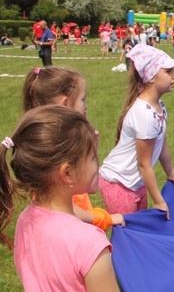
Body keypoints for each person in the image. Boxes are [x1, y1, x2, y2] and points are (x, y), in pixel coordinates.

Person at [0, 105, 174, 292]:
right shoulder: (88, 241)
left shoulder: (26, 222)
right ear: (67, 174)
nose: (99, 165)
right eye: (93, 158)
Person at [22, 66, 124, 231]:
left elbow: (91, 187)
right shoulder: (54, 149)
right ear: (66, 103)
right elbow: (63, 208)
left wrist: (92, 151)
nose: (86, 106)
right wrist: (104, 218)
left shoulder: (56, 140)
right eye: (83, 99)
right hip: (71, 232)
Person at [99, 46, 174, 217]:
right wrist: (158, 201)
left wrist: (171, 172)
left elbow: (162, 144)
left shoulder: (158, 106)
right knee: (127, 232)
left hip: (136, 183)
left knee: (137, 230)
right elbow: (144, 164)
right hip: (119, 183)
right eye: (168, 71)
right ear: (151, 78)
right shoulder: (144, 114)